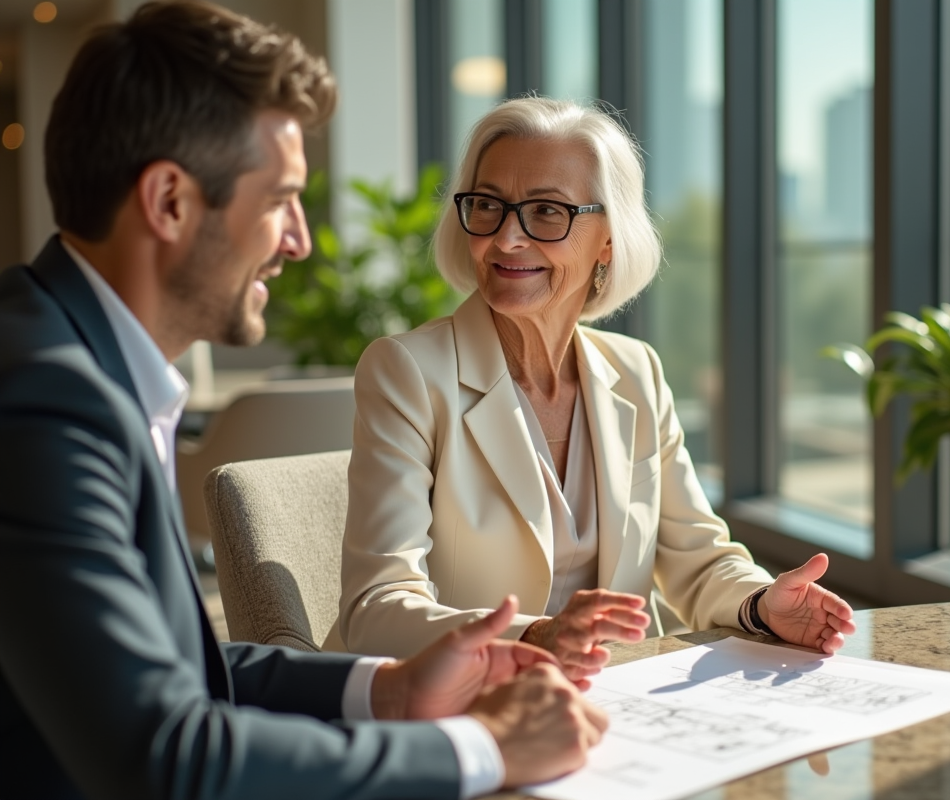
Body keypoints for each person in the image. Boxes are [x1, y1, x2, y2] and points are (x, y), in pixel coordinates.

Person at [0, 5, 606, 799]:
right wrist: (482, 748)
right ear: (170, 202)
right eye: (281, 198)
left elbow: (186, 669)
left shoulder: (77, 361)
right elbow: (161, 758)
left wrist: (390, 691)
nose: (299, 239)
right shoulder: (44, 402)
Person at [331, 96, 857, 679]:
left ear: (608, 238)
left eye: (547, 212)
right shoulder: (406, 371)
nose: (506, 239)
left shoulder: (637, 371)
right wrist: (533, 637)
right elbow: (375, 608)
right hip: (458, 705)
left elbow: (696, 558)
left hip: (613, 706)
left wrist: (761, 605)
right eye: (488, 206)